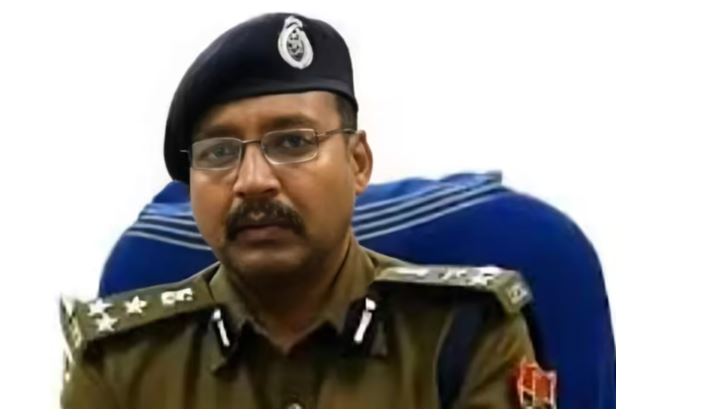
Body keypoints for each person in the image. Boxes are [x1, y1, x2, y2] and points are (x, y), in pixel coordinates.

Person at [61, 13, 552, 408]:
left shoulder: (463, 334)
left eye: (293, 142)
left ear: (358, 163)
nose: (253, 181)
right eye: (219, 153)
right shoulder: (120, 362)